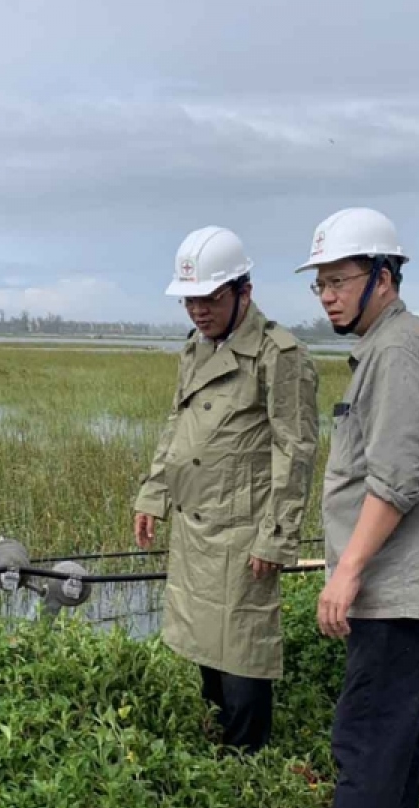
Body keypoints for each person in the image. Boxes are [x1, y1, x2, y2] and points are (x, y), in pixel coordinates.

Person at [265, 209, 419, 808]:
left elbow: (398, 477)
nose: (326, 295)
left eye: (339, 279)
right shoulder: (388, 345)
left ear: (384, 276)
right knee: (396, 730)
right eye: (319, 283)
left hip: (396, 588)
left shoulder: (398, 351)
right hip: (405, 585)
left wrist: (345, 571)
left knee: (365, 735)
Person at [132, 226, 319, 753]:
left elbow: (296, 448)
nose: (198, 310)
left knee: (242, 651)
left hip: (244, 528)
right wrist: (153, 495)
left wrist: (276, 537)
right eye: (190, 300)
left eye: (209, 298)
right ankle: (219, 748)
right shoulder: (195, 347)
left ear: (244, 290)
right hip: (196, 524)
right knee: (204, 647)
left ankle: (246, 761)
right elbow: (178, 426)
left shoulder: (279, 354)